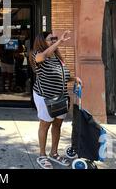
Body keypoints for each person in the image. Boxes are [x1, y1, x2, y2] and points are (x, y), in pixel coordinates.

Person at [29, 30, 80, 169]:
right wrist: (59, 42)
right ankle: (42, 155)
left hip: (60, 97)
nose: (53, 40)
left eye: (54, 38)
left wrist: (73, 78)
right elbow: (43, 56)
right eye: (50, 39)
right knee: (45, 124)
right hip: (45, 96)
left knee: (57, 125)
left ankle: (54, 153)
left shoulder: (57, 57)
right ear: (41, 41)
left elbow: (61, 75)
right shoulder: (37, 55)